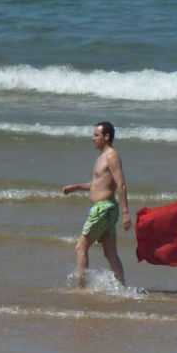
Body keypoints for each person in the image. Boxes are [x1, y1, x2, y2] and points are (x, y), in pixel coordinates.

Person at [62, 121, 131, 287]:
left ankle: (81, 288)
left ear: (106, 137)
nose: (93, 138)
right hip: (106, 209)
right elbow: (99, 185)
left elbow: (120, 184)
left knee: (80, 247)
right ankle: (122, 287)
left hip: (103, 209)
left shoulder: (111, 156)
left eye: (96, 135)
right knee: (110, 253)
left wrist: (126, 212)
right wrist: (77, 187)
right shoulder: (101, 157)